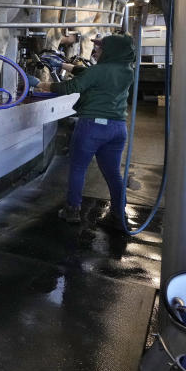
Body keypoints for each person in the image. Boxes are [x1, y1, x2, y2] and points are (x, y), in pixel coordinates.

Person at [36, 34, 136, 230]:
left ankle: (72, 210)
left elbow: (72, 86)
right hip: (117, 129)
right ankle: (118, 213)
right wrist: (64, 65)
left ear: (111, 51)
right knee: (113, 173)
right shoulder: (127, 71)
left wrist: (41, 84)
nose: (96, 50)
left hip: (92, 127)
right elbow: (91, 74)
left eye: (100, 48)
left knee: (78, 168)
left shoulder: (99, 70)